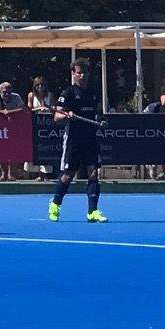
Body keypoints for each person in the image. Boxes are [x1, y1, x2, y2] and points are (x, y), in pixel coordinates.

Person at [50, 61, 107, 223]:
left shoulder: (93, 93)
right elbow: (57, 117)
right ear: (74, 74)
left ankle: (93, 211)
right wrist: (67, 115)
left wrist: (102, 121)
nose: (82, 76)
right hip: (73, 140)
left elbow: (99, 114)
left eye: (85, 73)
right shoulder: (67, 92)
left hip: (90, 139)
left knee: (94, 173)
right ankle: (55, 204)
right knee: (68, 176)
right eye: (79, 72)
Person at [0, 79, 25, 181]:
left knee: (13, 150)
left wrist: (10, 112)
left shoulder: (16, 97)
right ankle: (4, 174)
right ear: (0, 92)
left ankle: (11, 174)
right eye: (4, 92)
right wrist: (2, 112)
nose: (7, 94)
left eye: (9, 92)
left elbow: (22, 109)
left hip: (14, 127)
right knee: (0, 151)